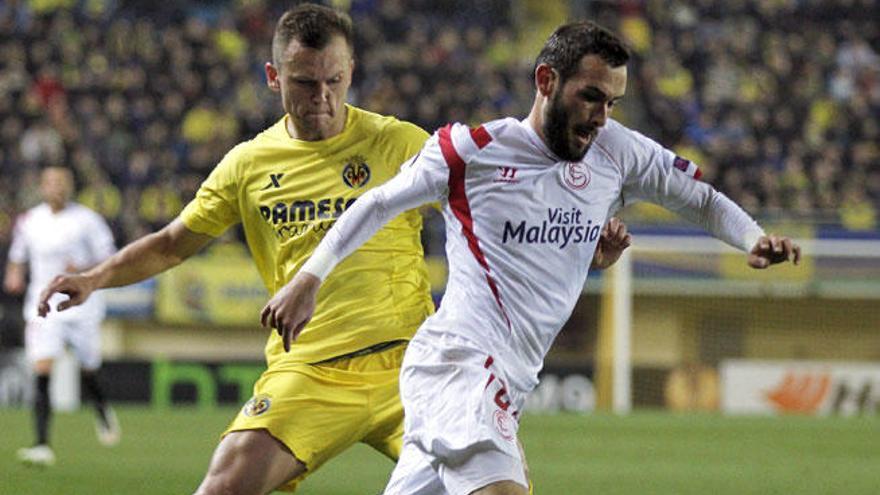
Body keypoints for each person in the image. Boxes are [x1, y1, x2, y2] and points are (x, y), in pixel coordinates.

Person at [35, 4, 628, 493]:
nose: (321, 96)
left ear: (351, 72)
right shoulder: (247, 165)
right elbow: (171, 244)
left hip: (417, 365)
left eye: (333, 81)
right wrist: (93, 277)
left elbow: (502, 215)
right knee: (222, 487)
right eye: (303, 82)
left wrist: (575, 242)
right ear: (274, 79)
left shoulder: (399, 142)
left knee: (503, 486)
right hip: (310, 371)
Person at [262, 20, 803, 495]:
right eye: (591, 96)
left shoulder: (617, 151)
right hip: (459, 365)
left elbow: (700, 199)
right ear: (547, 81)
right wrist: (309, 277)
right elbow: (378, 202)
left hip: (511, 380)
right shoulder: (471, 151)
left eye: (612, 101)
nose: (600, 117)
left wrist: (752, 239)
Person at [4, 166, 120, 467]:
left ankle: (102, 409)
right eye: (51, 182)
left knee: (89, 368)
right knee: (42, 369)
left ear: (70, 186)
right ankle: (42, 444)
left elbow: (110, 256)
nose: (56, 187)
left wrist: (82, 265)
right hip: (43, 306)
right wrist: (14, 275)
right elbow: (18, 256)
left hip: (82, 306)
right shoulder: (31, 221)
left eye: (62, 182)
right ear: (41, 187)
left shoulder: (87, 220)